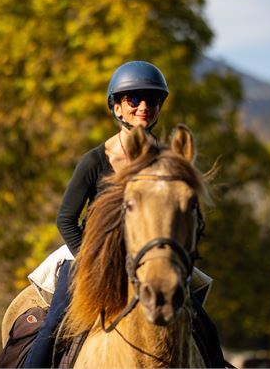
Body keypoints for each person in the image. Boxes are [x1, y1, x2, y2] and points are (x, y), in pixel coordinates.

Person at [24, 61, 172, 368]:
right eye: (134, 99)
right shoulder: (94, 160)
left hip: (152, 259)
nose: (143, 106)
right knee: (53, 327)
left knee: (202, 323)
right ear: (117, 107)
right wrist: (92, 260)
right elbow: (65, 219)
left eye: (152, 99)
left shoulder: (168, 162)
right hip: (92, 258)